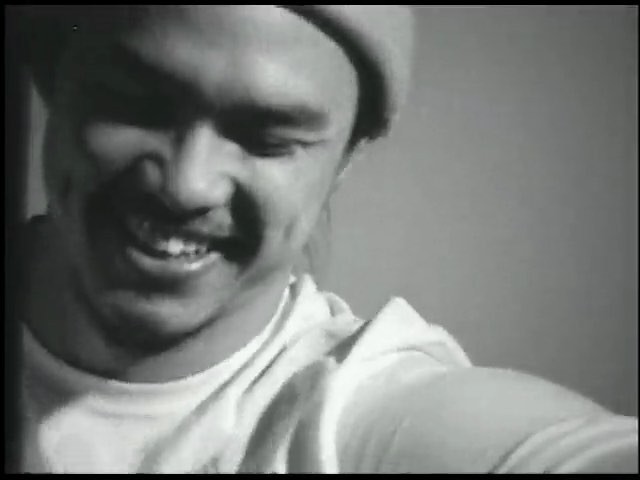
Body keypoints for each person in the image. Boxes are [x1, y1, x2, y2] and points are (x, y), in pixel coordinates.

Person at [12, 5, 638, 473]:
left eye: (267, 138)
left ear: (344, 160)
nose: (187, 184)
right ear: (51, 78)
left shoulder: (358, 410)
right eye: (133, 103)